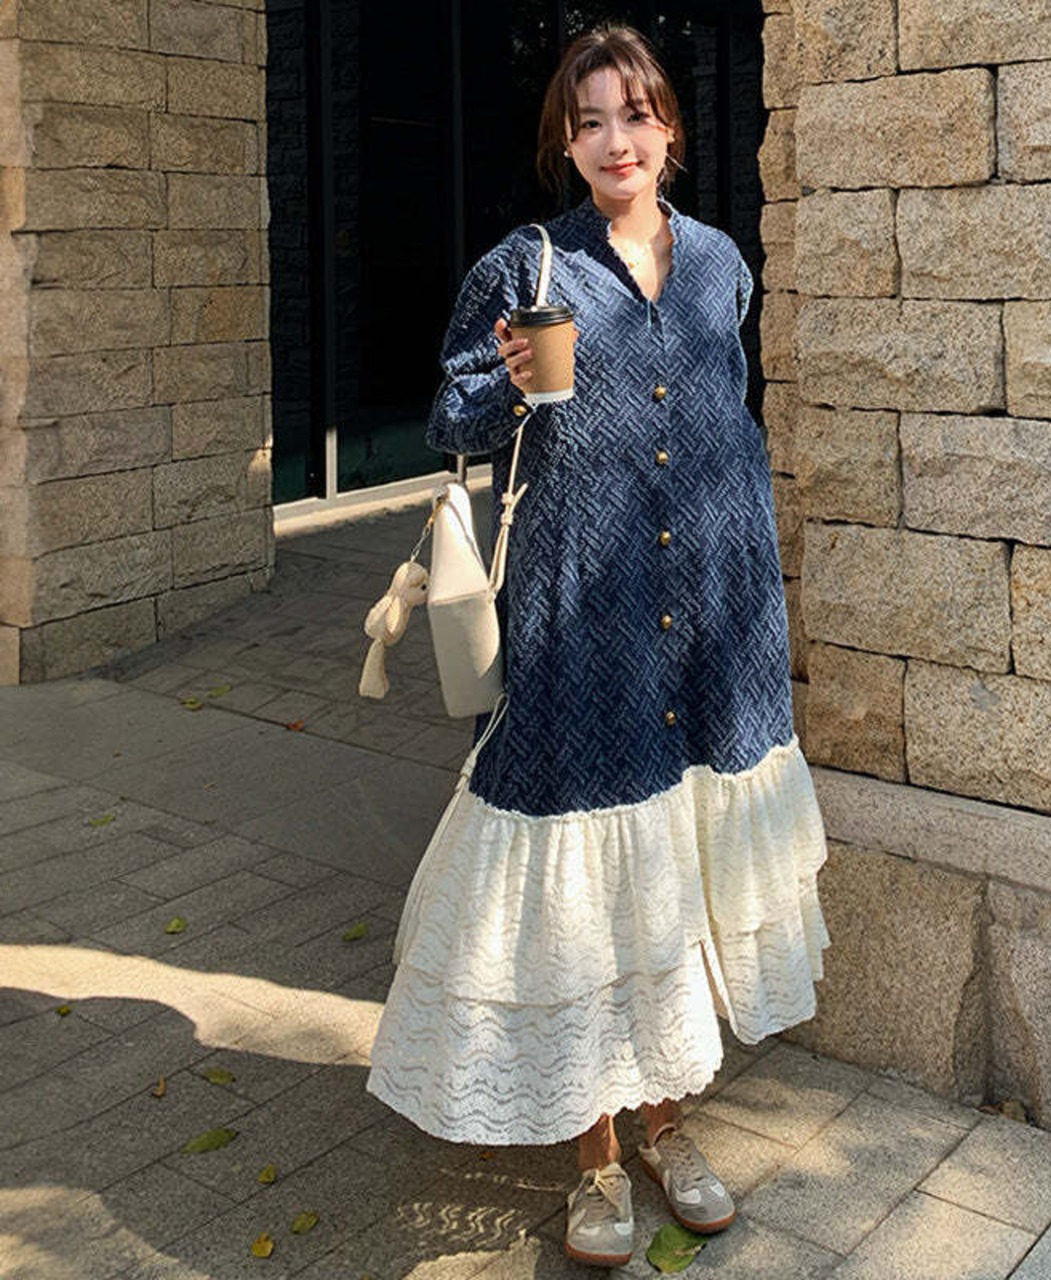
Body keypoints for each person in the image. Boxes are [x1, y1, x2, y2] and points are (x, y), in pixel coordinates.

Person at [367, 24, 829, 1268]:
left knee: (671, 873)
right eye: (588, 122)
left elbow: (725, 417)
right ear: (564, 144)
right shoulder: (526, 267)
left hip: (710, 615)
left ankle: (668, 1124)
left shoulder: (720, 262)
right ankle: (595, 1155)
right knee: (583, 887)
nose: (614, 140)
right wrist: (509, 380)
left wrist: (755, 602)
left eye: (634, 114)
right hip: (583, 620)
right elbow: (450, 415)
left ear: (668, 129)